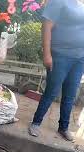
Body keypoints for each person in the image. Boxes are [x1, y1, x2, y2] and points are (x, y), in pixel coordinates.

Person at [29, 0, 84, 141]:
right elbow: (46, 26)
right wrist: (47, 54)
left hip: (80, 58)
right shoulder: (59, 1)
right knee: (51, 91)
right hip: (60, 55)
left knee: (71, 94)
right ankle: (36, 122)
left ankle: (63, 127)